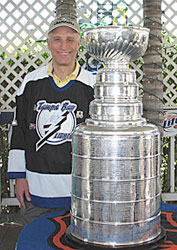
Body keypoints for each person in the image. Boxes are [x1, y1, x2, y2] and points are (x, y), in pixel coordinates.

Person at [7, 16, 96, 226]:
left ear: (79, 43)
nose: (63, 46)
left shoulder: (94, 85)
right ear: (48, 43)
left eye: (70, 39)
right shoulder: (31, 82)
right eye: (57, 39)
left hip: (80, 192)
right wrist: (19, 177)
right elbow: (19, 130)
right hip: (37, 190)